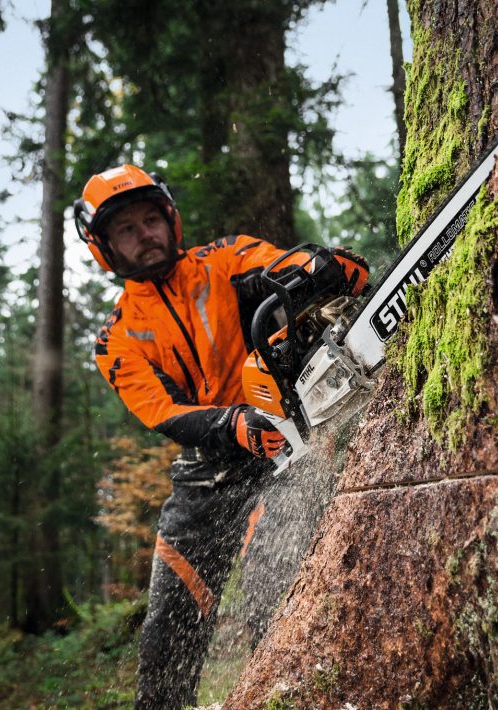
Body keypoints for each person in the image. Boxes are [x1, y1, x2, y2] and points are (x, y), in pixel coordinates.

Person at [73, 164, 369, 708]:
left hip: (283, 449)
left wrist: (320, 269)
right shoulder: (115, 338)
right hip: (204, 472)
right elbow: (164, 412)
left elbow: (276, 268)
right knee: (167, 631)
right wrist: (231, 423)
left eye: (149, 220)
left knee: (274, 592)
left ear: (169, 218)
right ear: (105, 249)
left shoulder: (223, 260)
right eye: (126, 230)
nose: (144, 235)